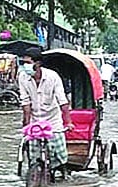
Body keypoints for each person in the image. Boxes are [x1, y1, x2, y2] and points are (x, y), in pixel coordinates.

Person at [18, 47, 74, 178]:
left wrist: (68, 122)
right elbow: (25, 104)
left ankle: (64, 172)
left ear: (37, 64)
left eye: (28, 63)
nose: (25, 66)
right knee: (33, 156)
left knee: (60, 155)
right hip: (35, 121)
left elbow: (63, 102)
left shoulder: (52, 77)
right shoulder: (23, 77)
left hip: (53, 121)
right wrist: (25, 126)